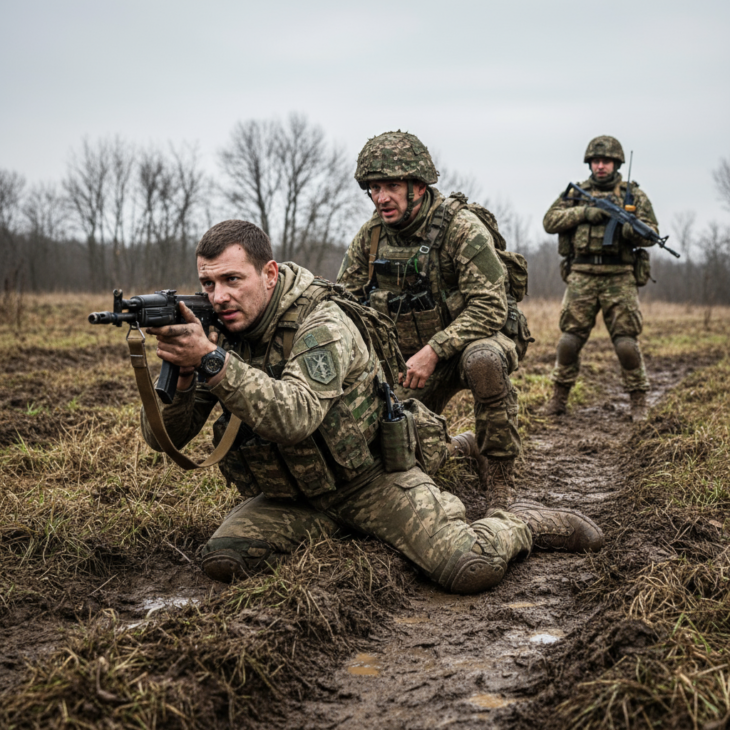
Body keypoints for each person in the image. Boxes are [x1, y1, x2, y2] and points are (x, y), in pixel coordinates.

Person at [139, 219, 603, 593]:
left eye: (232, 280)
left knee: (469, 567)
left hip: (372, 478)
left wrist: (212, 361)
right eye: (208, 283)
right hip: (297, 495)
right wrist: (184, 375)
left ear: (270, 274)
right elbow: (165, 438)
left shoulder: (320, 323)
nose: (219, 296)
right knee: (225, 559)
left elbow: (296, 417)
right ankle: (349, 524)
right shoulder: (219, 333)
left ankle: (521, 524)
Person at [337, 131, 526, 510]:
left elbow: (490, 307)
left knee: (484, 361)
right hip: (411, 361)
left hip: (473, 343)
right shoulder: (371, 237)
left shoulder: (461, 228)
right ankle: (462, 448)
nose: (381, 197)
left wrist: (435, 350)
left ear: (419, 187)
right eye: (374, 188)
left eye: (392, 186)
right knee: (386, 452)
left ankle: (500, 479)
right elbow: (345, 305)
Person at [543, 135, 660, 421]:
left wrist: (631, 229)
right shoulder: (576, 193)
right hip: (582, 274)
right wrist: (586, 213)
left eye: (606, 161)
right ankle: (558, 399)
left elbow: (652, 233)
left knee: (626, 343)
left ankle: (638, 401)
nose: (600, 166)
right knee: (569, 341)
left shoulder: (633, 195)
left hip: (619, 275)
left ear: (616, 163)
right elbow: (550, 221)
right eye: (596, 161)